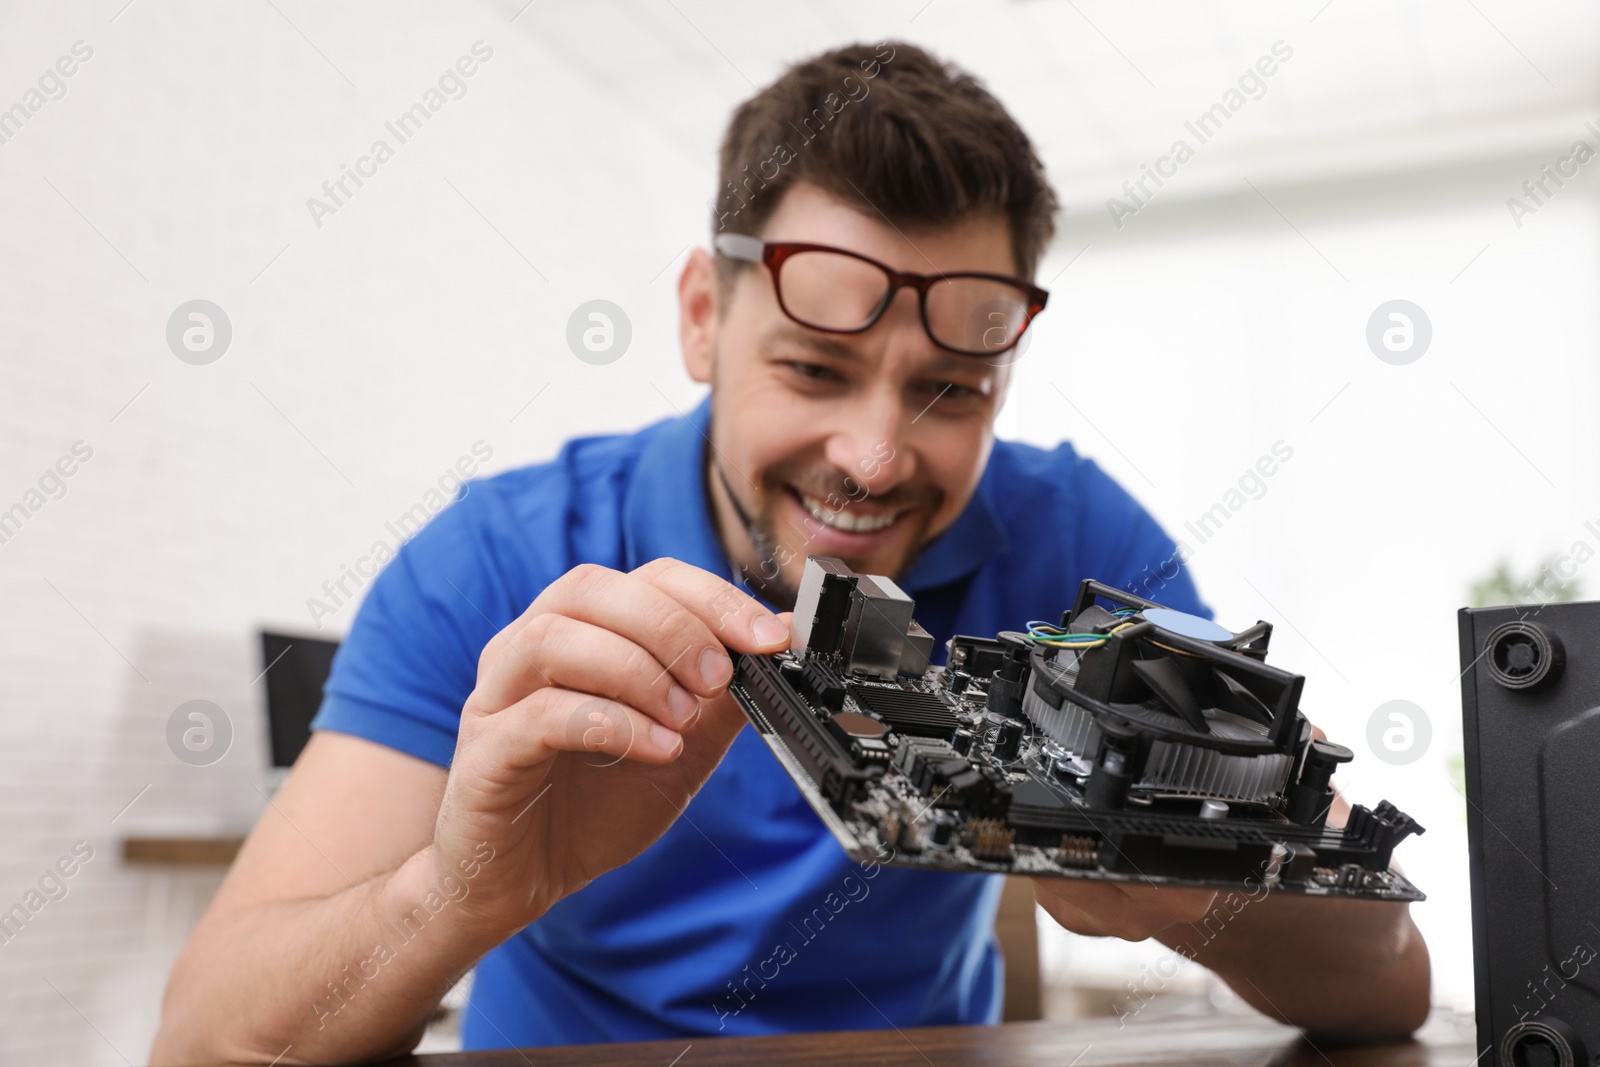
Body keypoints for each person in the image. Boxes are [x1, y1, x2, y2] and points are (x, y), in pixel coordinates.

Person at [150, 40, 1430, 1065]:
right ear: (704, 318)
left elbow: (1390, 994)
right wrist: (463, 892)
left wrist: (1167, 876)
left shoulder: (1077, 544)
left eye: (952, 391)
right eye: (813, 369)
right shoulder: (498, 556)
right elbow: (204, 1040)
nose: (874, 458)